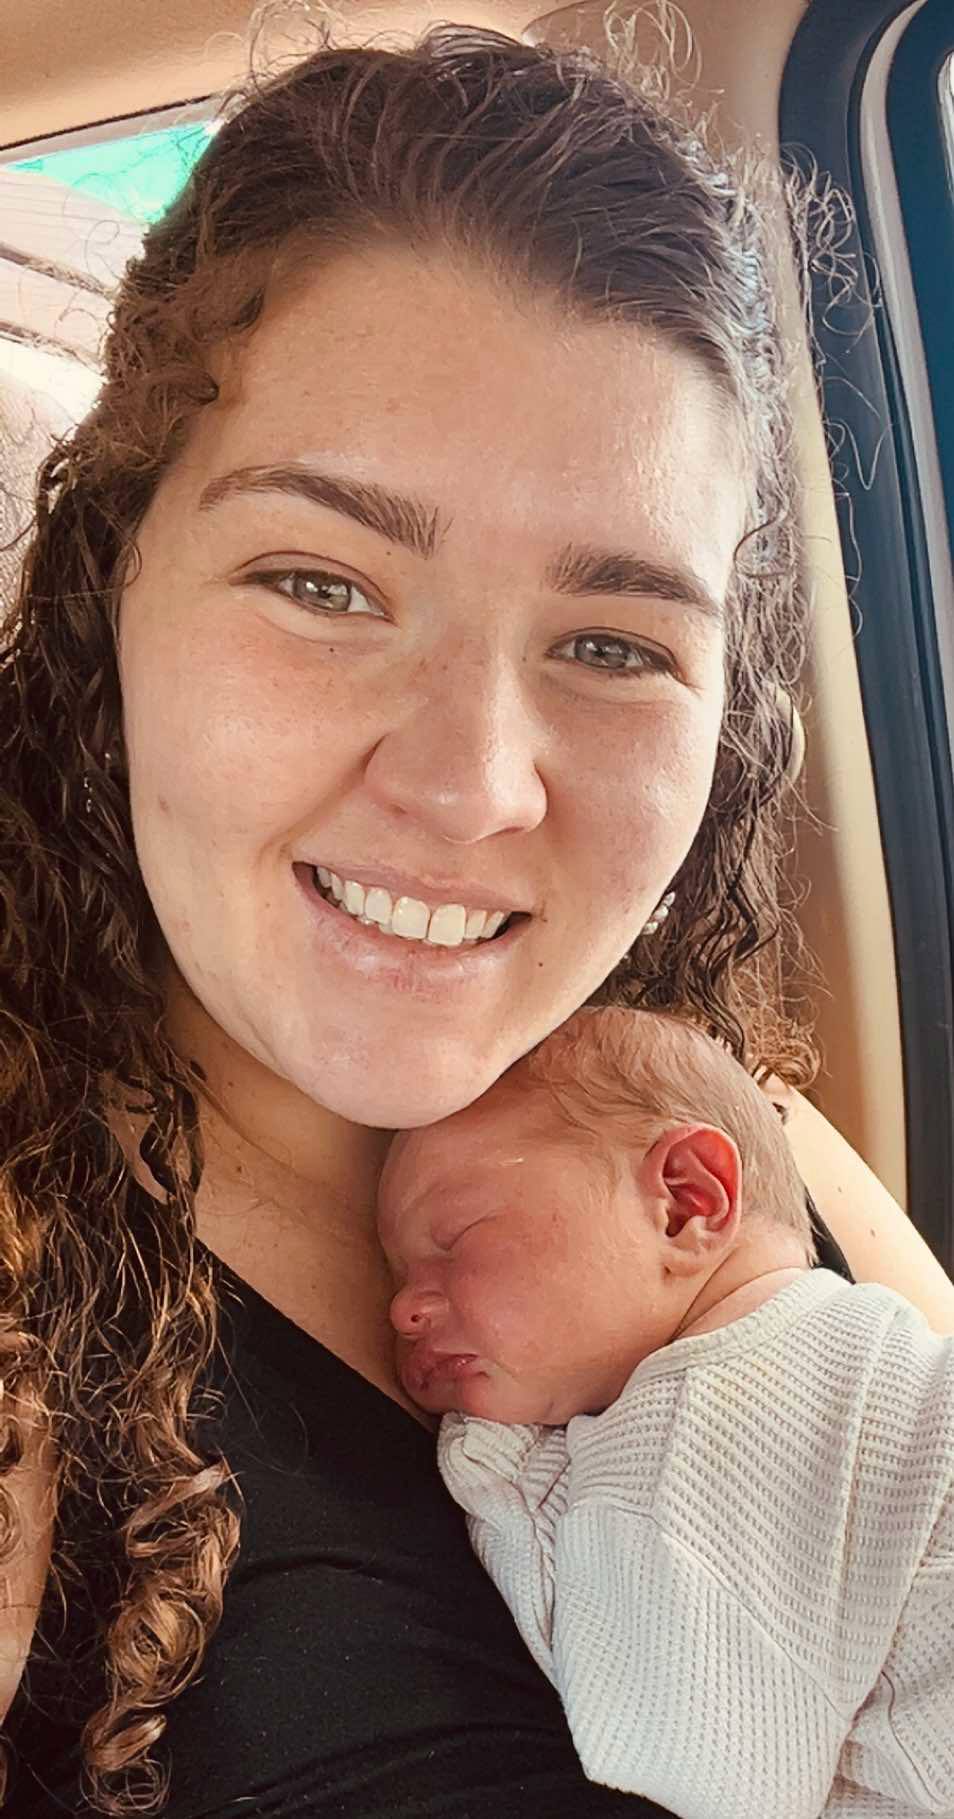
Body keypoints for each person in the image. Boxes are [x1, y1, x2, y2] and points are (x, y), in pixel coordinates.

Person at [1, 17, 953, 1819]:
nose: (469, 787)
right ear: (107, 588)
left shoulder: (767, 1162)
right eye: (320, 580)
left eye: (608, 643)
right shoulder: (27, 1310)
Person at [379, 1004, 954, 1818]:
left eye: (456, 1237)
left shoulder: (706, 1418)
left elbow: (699, 1762)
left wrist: (494, 1463)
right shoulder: (855, 1339)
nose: (402, 1307)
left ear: (686, 1202)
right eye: (398, 1272)